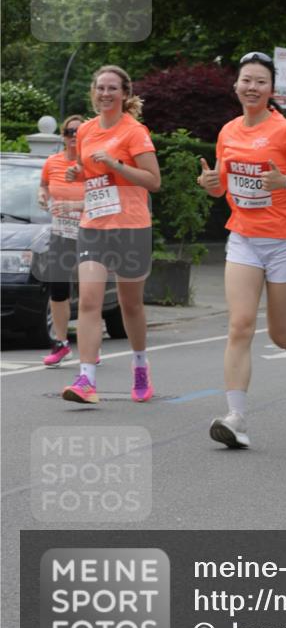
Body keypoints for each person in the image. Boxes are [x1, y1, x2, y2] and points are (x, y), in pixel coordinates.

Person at [199, 51, 286, 449]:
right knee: (240, 325)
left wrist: (285, 181)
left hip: (285, 242)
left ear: (271, 90)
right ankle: (236, 417)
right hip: (244, 238)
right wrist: (211, 184)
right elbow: (223, 185)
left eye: (260, 81)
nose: (252, 87)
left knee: (280, 332)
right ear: (236, 86)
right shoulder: (228, 132)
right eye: (246, 80)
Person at [62, 66, 160, 404]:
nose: (105, 94)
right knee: (89, 301)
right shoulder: (86, 131)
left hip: (130, 226)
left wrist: (117, 164)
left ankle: (140, 365)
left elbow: (153, 181)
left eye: (112, 88)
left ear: (124, 93)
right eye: (100, 88)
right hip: (94, 225)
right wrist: (77, 173)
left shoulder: (134, 132)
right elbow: (88, 171)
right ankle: (86, 380)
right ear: (93, 92)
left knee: (129, 304)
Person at [38, 115, 86, 366]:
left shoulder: (93, 164)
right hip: (60, 233)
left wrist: (73, 206)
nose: (73, 136)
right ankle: (61, 343)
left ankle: (91, 346)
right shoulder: (52, 162)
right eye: (69, 132)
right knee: (58, 289)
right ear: (63, 136)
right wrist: (42, 195)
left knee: (89, 292)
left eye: (79, 132)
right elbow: (44, 185)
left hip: (89, 233)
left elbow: (105, 198)